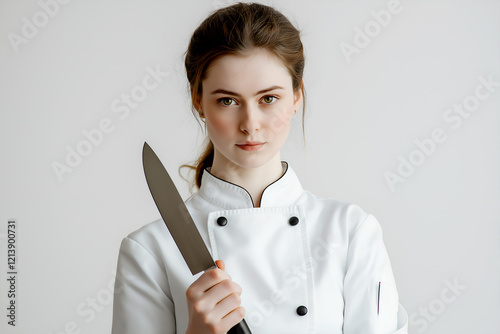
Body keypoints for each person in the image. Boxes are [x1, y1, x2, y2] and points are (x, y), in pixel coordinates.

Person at [111, 2, 409, 333]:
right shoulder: (150, 250)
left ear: (296, 97)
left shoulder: (351, 233)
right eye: (228, 100)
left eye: (268, 98)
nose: (250, 125)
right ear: (198, 100)